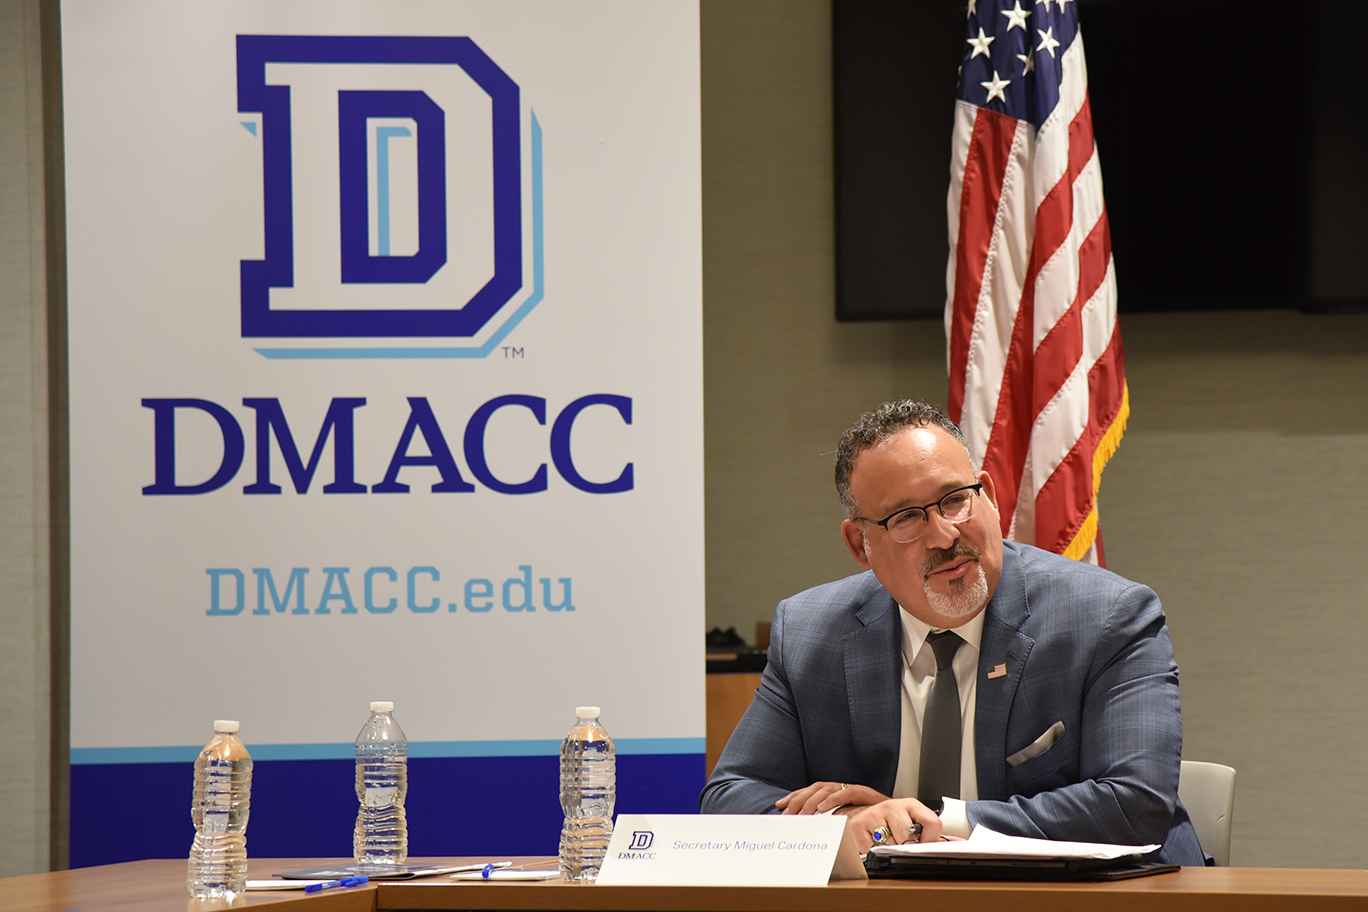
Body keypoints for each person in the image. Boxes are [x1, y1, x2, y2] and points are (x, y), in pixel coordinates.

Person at [700, 400, 1205, 865]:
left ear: (988, 495)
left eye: (954, 500)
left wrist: (931, 824)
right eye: (906, 519)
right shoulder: (811, 632)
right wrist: (846, 824)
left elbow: (1135, 803)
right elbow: (730, 797)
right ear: (860, 544)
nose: (944, 535)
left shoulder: (1107, 617)